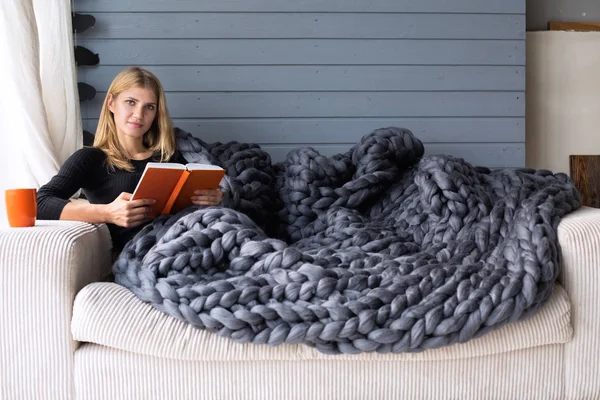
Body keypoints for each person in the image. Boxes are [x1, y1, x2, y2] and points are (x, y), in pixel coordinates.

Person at [37, 67, 223, 251]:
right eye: (130, 102)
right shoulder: (91, 159)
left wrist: (216, 198)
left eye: (149, 107)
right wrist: (108, 213)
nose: (139, 115)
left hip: (192, 240)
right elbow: (40, 203)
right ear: (111, 103)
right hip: (146, 252)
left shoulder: (171, 156)